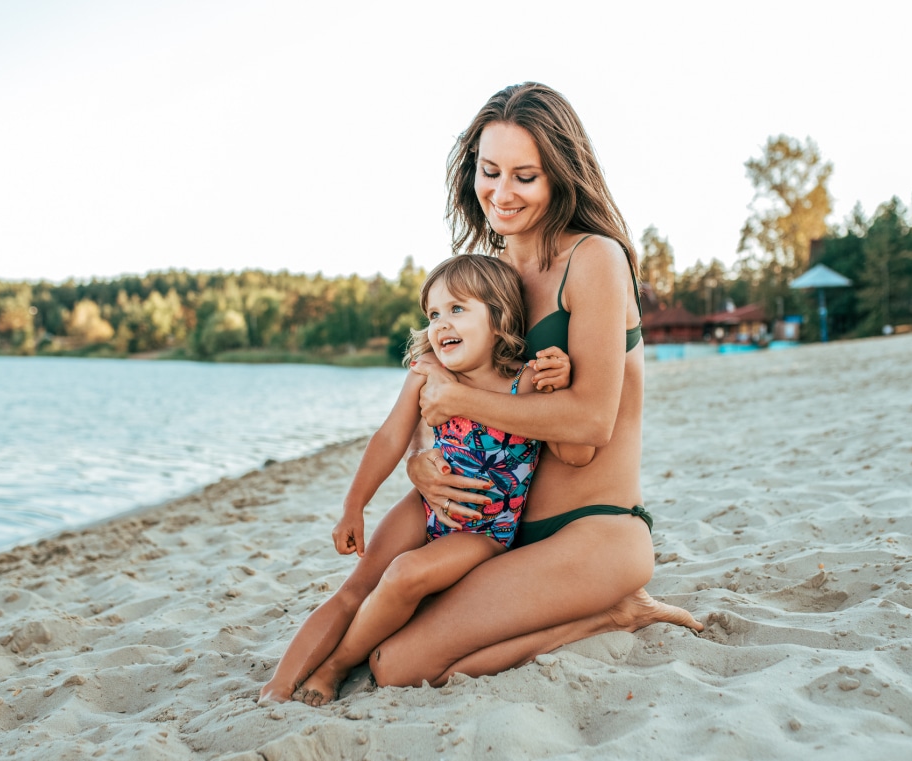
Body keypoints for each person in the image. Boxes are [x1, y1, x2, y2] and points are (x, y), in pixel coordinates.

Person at [365, 82, 703, 689]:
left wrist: (458, 398)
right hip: (500, 533)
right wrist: (421, 459)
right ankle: (599, 609)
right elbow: (444, 396)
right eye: (490, 171)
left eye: (526, 175)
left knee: (397, 667)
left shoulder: (593, 259)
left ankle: (613, 612)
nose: (502, 192)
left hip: (592, 534)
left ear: (560, 177)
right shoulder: (489, 277)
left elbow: (590, 421)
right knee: (382, 633)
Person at [263, 255, 581, 705]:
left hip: (483, 528)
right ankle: (279, 683)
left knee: (405, 574)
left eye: (457, 309)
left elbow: (578, 450)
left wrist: (561, 383)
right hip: (423, 507)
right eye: (433, 314)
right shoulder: (429, 373)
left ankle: (335, 666)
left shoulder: (525, 381)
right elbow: (390, 437)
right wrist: (353, 507)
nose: (440, 323)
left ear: (499, 317)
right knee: (355, 587)